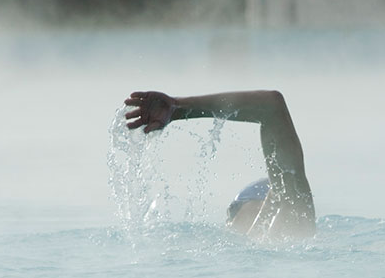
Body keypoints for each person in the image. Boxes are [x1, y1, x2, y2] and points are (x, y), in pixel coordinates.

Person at [123, 90, 315, 238]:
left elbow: (271, 106)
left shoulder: (290, 219)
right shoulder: (294, 226)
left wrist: (177, 108)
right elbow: (271, 108)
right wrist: (176, 108)